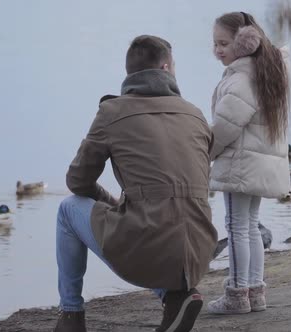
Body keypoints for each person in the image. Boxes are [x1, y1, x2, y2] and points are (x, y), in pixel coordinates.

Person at [54, 35, 218, 332]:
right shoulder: (195, 114)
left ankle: (71, 317)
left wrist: (112, 204)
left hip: (148, 246)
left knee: (68, 209)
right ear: (167, 68)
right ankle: (175, 296)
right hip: (200, 247)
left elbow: (77, 181)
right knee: (163, 214)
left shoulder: (112, 112)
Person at [207, 12, 291, 315]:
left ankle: (236, 293)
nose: (217, 49)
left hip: (240, 163)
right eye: (214, 43)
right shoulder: (267, 71)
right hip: (256, 163)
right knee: (251, 226)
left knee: (237, 227)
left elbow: (225, 126)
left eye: (223, 43)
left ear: (244, 43)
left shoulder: (241, 78)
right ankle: (255, 292)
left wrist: (205, 153)